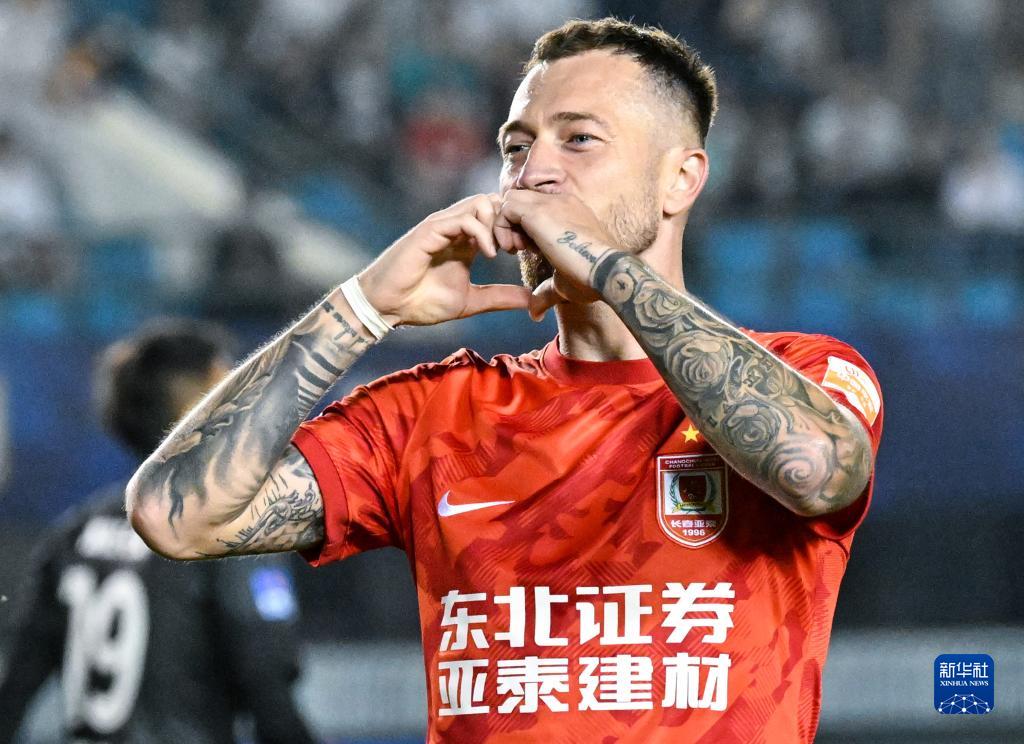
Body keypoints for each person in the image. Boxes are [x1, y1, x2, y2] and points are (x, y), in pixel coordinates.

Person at [127, 18, 884, 743]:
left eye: (579, 139)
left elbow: (817, 469)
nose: (533, 173)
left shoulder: (809, 371)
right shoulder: (436, 410)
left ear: (678, 180)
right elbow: (173, 515)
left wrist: (607, 268)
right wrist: (362, 306)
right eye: (516, 147)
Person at [0, 319, 316, 744]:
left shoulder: (74, 534)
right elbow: (269, 697)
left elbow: (12, 694)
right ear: (198, 409)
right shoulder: (224, 532)